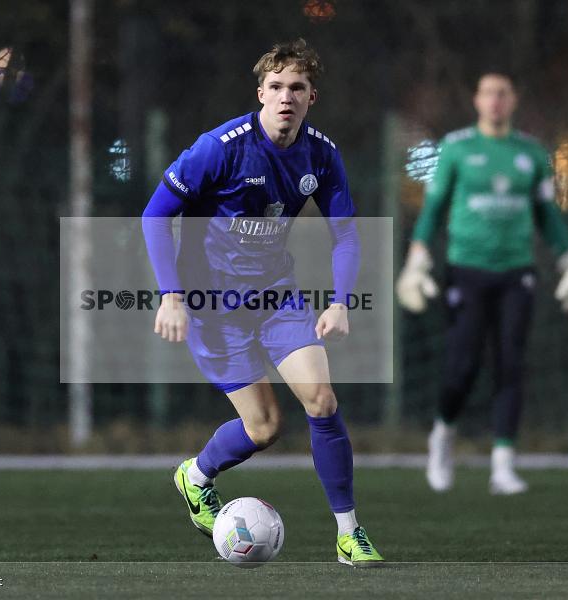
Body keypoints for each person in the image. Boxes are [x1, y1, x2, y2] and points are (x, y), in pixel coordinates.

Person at [141, 39, 382, 567]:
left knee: (321, 401)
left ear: (312, 96)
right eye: (276, 87)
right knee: (265, 429)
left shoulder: (321, 154)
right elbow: (155, 214)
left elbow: (345, 234)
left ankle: (349, 534)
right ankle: (196, 475)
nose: (285, 97)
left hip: (277, 297)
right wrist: (171, 296)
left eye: (297, 87)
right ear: (260, 94)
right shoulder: (219, 147)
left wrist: (340, 302)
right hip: (212, 307)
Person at [396, 72, 568, 495]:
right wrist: (416, 261)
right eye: (488, 93)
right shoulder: (457, 148)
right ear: (477, 100)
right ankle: (442, 435)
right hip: (467, 270)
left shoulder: (531, 153)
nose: (495, 100)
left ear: (513, 100)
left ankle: (503, 464)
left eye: (503, 93)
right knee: (462, 365)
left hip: (516, 272)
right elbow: (433, 208)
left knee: (511, 364)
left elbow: (548, 215)